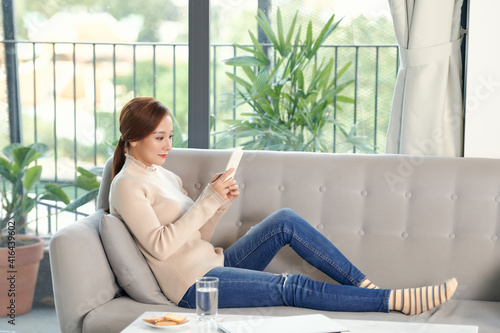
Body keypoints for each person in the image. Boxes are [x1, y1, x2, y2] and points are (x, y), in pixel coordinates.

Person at [109, 96, 458, 316]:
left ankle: (365, 286)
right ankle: (391, 300)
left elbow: (197, 237)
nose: (168, 145)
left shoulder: (163, 175)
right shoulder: (126, 185)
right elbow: (159, 246)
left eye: (170, 136)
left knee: (284, 221)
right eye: (160, 137)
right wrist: (207, 200)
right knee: (289, 286)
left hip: (215, 263)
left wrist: (218, 207)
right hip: (193, 286)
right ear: (133, 138)